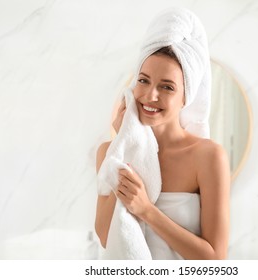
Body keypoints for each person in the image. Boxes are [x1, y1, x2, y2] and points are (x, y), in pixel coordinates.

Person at [95, 9, 230, 260]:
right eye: (144, 81)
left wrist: (147, 210)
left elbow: (215, 259)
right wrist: (124, 143)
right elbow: (104, 235)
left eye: (167, 87)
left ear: (185, 97)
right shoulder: (109, 152)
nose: (150, 96)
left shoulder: (208, 156)